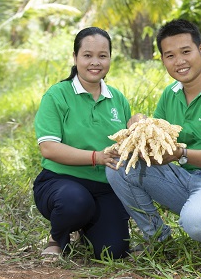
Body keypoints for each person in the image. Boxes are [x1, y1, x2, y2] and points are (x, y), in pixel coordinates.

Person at [106, 19, 201, 246]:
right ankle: (157, 238)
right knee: (120, 164)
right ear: (163, 60)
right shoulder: (171, 94)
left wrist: (181, 154)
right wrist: (139, 124)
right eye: (170, 56)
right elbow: (157, 135)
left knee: (198, 225)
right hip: (188, 178)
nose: (179, 61)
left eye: (186, 51)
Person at [33, 27, 131, 259]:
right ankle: (58, 237)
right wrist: (96, 157)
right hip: (61, 182)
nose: (95, 62)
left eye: (102, 56)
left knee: (113, 252)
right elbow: (48, 148)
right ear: (75, 58)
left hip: (106, 187)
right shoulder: (57, 95)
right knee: (75, 202)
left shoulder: (118, 99)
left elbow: (126, 143)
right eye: (87, 55)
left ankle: (88, 230)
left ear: (109, 58)